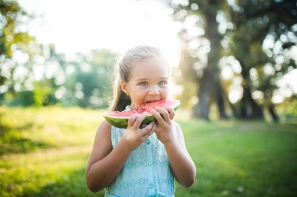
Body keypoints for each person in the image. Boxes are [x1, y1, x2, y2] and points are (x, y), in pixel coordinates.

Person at [86, 46, 196, 197]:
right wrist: (126, 145)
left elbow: (188, 180)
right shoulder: (109, 128)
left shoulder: (173, 128)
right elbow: (93, 183)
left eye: (162, 82)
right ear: (125, 87)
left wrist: (170, 140)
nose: (155, 91)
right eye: (143, 83)